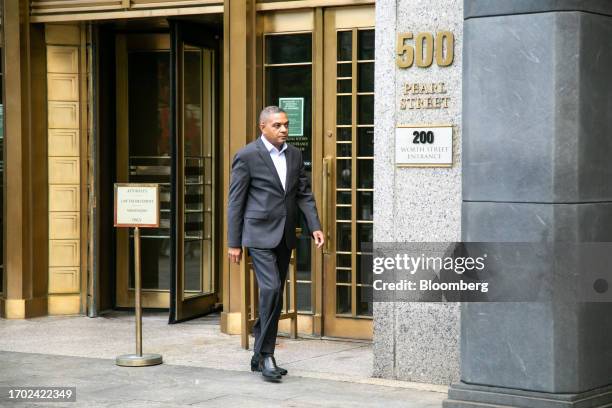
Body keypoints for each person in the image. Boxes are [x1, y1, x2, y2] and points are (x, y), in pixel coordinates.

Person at [227, 106, 324, 382]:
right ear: (263, 127)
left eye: (286, 125)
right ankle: (266, 354)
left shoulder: (294, 154)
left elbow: (304, 194)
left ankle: (258, 354)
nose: (284, 130)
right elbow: (235, 201)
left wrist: (314, 226)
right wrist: (233, 242)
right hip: (258, 234)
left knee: (276, 295)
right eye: (277, 125)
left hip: (285, 235)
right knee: (269, 289)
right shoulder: (247, 156)